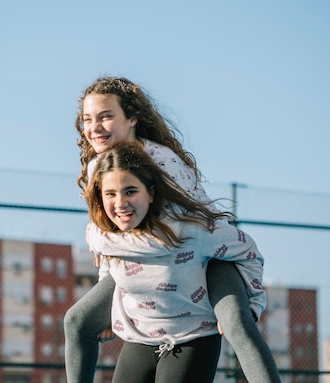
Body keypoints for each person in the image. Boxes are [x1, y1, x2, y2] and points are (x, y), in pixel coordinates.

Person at [64, 76, 281, 382]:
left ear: (132, 118)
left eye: (106, 116)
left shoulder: (160, 161)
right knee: (77, 321)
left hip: (208, 254)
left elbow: (169, 240)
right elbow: (112, 242)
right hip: (149, 262)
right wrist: (110, 290)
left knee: (235, 322)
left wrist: (101, 241)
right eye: (87, 119)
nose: (94, 127)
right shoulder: (98, 167)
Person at [83, 142, 265, 383]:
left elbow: (249, 251)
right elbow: (109, 276)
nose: (120, 203)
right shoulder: (107, 238)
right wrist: (109, 314)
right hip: (141, 337)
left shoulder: (191, 232)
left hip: (193, 337)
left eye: (130, 191)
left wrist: (254, 304)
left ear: (151, 193)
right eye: (110, 194)